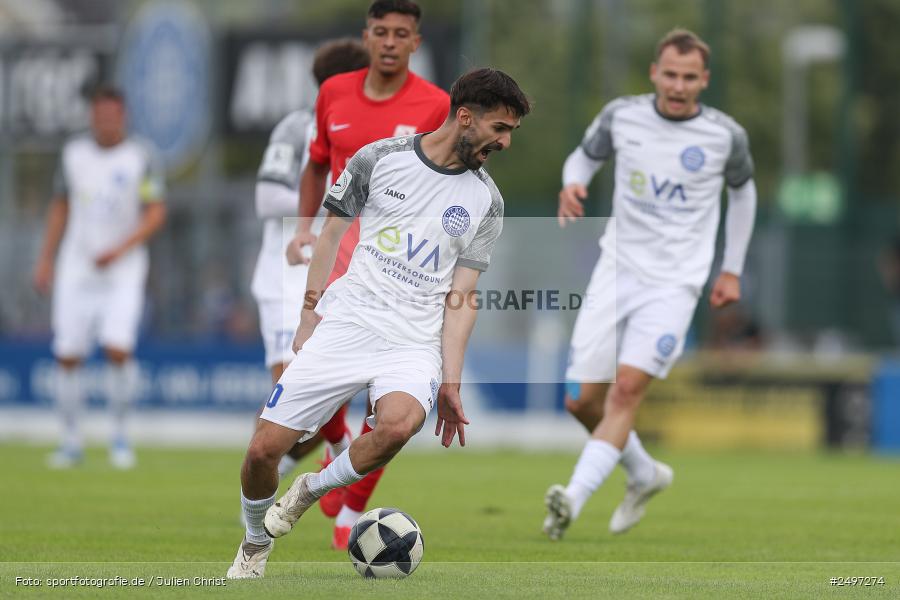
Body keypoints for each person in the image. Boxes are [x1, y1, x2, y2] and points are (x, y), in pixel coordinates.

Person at [226, 67, 530, 579]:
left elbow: (462, 297)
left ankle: (311, 489)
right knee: (262, 452)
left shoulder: (487, 202)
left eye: (511, 132)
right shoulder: (380, 159)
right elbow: (330, 235)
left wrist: (451, 380)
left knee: (398, 424)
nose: (504, 142)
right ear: (464, 117)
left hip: (412, 342)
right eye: (499, 129)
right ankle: (255, 540)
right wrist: (309, 313)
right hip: (347, 323)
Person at [544, 29, 757, 540]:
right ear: (654, 73)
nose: (679, 86)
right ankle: (643, 473)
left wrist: (731, 268)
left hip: (676, 284)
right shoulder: (622, 116)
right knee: (581, 401)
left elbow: (744, 193)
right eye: (671, 75)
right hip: (616, 269)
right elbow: (583, 156)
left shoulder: (725, 135)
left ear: (704, 80)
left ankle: (572, 497)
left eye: (690, 77)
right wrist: (574, 183)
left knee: (626, 391)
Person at [283, 0, 451, 551]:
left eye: (402, 34)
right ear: (367, 36)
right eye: (381, 31)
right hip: (335, 256)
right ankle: (337, 454)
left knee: (389, 406)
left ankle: (351, 504)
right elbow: (316, 163)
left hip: (396, 267)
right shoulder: (334, 93)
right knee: (310, 372)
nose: (390, 42)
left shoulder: (436, 105)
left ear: (415, 43)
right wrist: (304, 228)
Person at [251, 38, 369, 484]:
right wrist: (343, 201)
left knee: (321, 398)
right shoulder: (297, 127)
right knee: (291, 393)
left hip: (343, 272)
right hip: (289, 272)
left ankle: (282, 477)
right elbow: (266, 198)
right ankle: (266, 483)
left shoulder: (369, 133)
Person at [32, 86, 167, 469]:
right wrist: (45, 259)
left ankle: (120, 437)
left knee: (117, 348)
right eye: (100, 115)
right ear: (92, 117)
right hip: (77, 267)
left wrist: (121, 249)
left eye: (113, 115)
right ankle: (70, 440)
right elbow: (60, 207)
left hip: (123, 269)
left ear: (123, 117)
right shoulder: (73, 155)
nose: (106, 122)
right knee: (67, 354)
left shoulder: (141, 157)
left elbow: (155, 212)